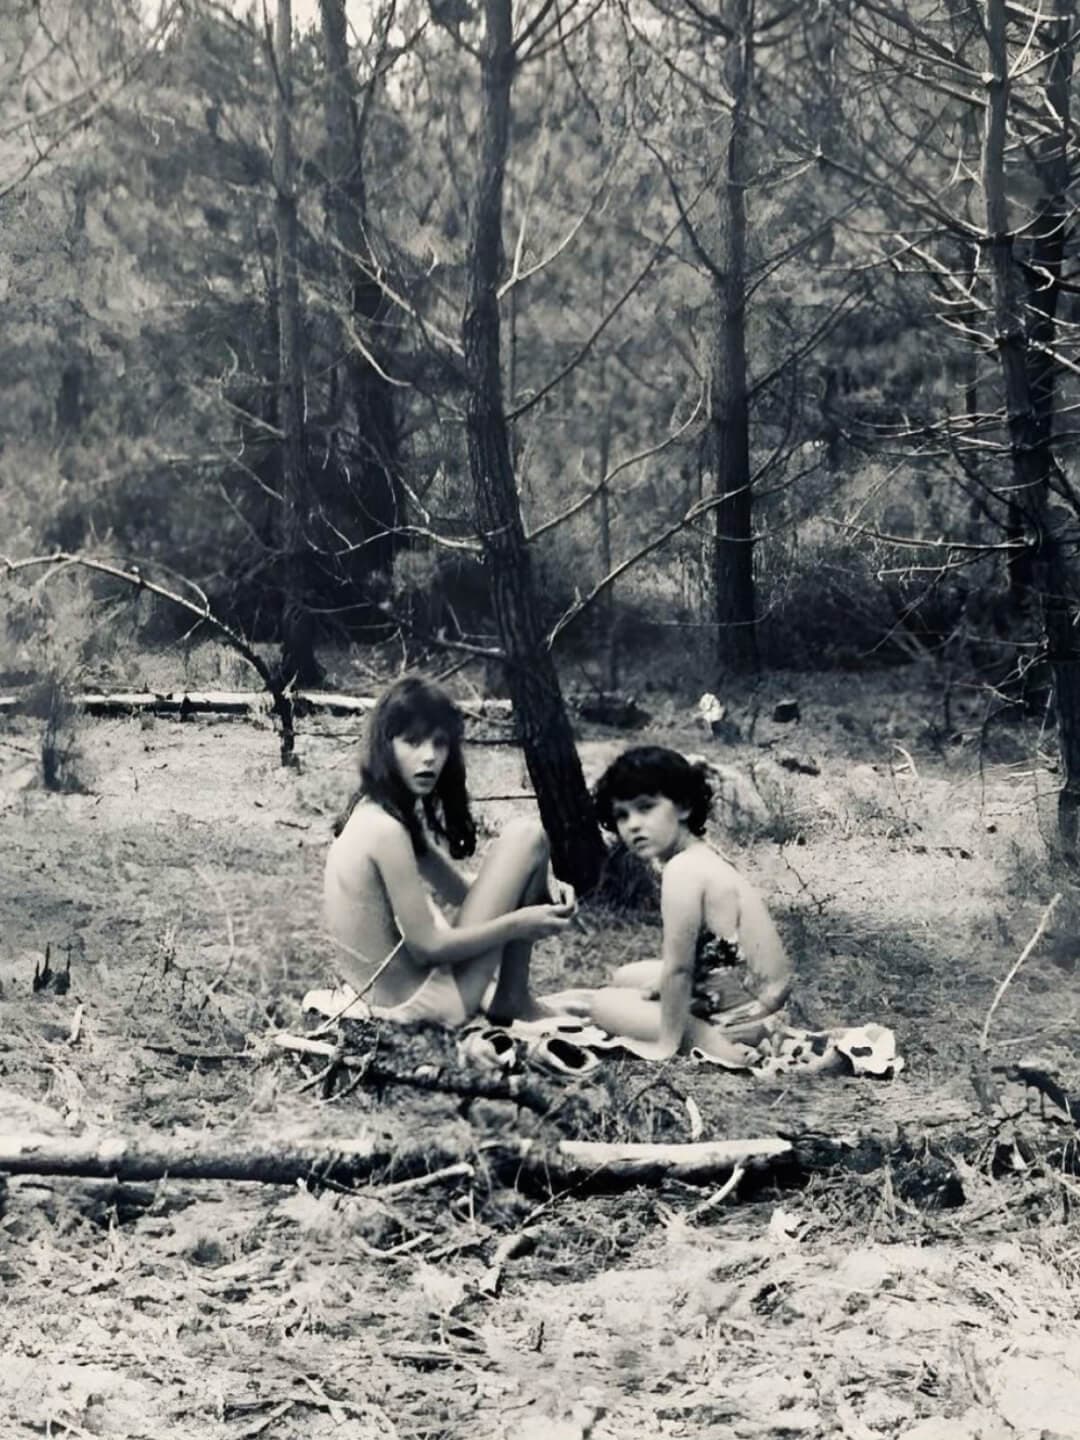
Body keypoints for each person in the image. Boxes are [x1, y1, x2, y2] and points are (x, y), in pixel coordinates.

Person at [323, 675, 576, 1028]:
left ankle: (513, 998)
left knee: (527, 845)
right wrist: (518, 924)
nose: (429, 757)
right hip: (418, 1007)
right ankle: (513, 998)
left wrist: (540, 881)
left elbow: (461, 891)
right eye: (412, 741)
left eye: (439, 743)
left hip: (388, 996)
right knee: (528, 835)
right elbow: (427, 947)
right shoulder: (386, 830)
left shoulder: (375, 811)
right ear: (385, 745)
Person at [587, 746, 793, 1062]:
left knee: (602, 1004)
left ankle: (705, 1037)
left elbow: (680, 969)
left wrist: (667, 1043)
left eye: (646, 808)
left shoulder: (682, 870)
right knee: (626, 977)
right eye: (622, 815)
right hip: (760, 997)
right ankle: (700, 1024)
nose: (633, 825)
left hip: (745, 1013)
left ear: (683, 807)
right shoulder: (701, 854)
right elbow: (703, 956)